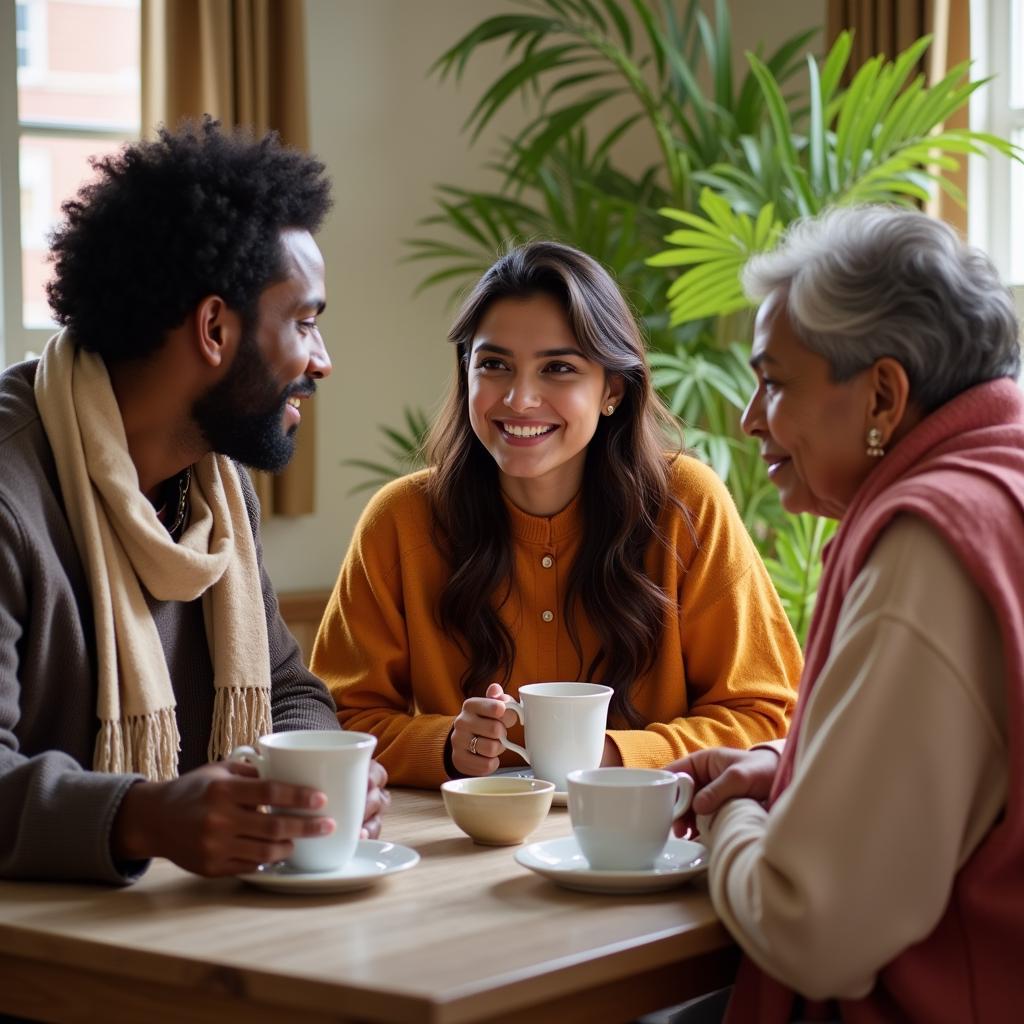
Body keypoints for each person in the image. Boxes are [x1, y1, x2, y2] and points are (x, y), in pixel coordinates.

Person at [0, 118, 388, 884]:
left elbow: (287, 690)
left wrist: (318, 775)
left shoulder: (215, 485)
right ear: (214, 327)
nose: (323, 360)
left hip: (180, 935)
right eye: (305, 322)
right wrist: (144, 816)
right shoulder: (12, 493)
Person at [670, 205, 1024, 1022]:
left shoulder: (933, 545)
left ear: (884, 395)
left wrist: (742, 816)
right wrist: (790, 773)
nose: (749, 417)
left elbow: (812, 926)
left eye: (776, 382)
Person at [312, 241, 801, 788]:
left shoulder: (688, 505)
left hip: (650, 845)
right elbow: (336, 720)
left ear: (612, 388)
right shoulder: (399, 520)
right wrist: (449, 745)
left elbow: (766, 716)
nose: (520, 399)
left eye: (559, 368)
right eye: (494, 364)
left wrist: (608, 758)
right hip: (459, 848)